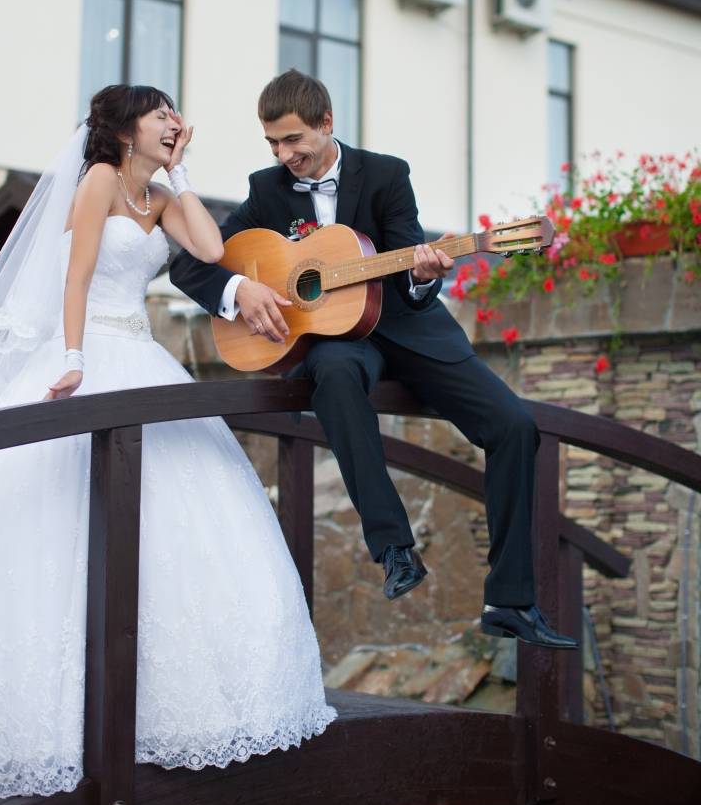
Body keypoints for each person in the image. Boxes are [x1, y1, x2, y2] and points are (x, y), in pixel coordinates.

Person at [0, 84, 336, 799]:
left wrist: (181, 173)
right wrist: (73, 358)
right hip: (90, 351)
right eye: (160, 114)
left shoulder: (160, 197)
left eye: (173, 114)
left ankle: (174, 713)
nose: (172, 122)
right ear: (126, 129)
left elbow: (211, 249)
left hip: (143, 358)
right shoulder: (99, 180)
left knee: (179, 515)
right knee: (62, 517)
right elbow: (74, 279)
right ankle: (51, 723)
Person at [170, 70, 576, 650]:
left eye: (293, 140)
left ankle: (509, 601)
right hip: (338, 340)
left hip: (410, 330)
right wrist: (242, 290)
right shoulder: (266, 190)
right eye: (273, 143)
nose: (284, 155)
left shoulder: (386, 174)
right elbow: (191, 266)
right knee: (334, 374)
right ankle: (393, 548)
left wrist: (424, 274)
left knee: (515, 426)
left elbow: (412, 264)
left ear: (327, 123)